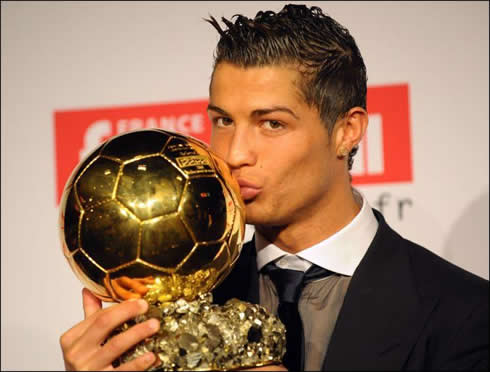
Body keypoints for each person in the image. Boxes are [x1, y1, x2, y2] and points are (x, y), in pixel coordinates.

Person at [60, 4, 488, 371]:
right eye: (224, 121)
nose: (234, 153)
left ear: (347, 131)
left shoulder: (464, 314)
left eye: (271, 123)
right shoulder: (167, 309)